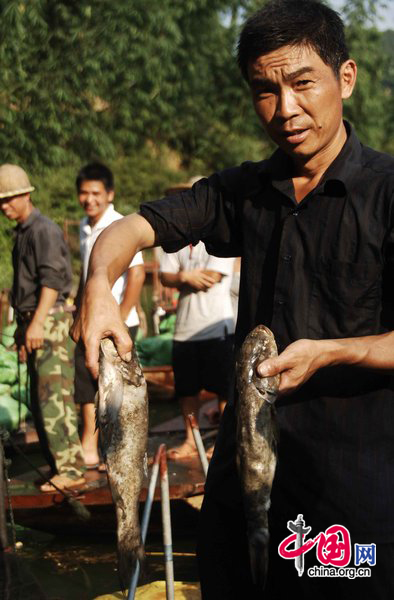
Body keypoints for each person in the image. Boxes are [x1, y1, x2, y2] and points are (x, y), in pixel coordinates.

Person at [71, 1, 394, 598]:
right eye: (264, 91)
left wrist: (332, 353)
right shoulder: (244, 190)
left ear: (344, 78)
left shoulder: (386, 193)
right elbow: (134, 229)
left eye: (303, 83)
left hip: (347, 488)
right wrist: (97, 285)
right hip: (240, 480)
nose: (286, 109)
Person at [0, 164, 85, 492]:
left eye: (9, 200)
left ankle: (72, 469)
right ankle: (59, 465)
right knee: (39, 398)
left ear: (26, 195)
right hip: (34, 323)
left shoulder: (43, 230)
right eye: (0, 202)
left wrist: (36, 325)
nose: (4, 206)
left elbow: (51, 282)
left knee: (55, 398)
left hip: (49, 321)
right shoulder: (22, 232)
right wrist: (23, 333)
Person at [74, 162, 145, 470]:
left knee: (117, 391)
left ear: (109, 194)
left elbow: (138, 273)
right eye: (84, 193)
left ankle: (116, 451)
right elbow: (86, 277)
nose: (89, 199)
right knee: (87, 386)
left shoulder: (120, 223)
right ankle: (90, 446)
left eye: (95, 193)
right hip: (92, 323)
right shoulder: (83, 226)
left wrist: (124, 314)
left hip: (117, 327)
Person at [160, 241, 235, 459]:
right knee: (186, 391)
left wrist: (181, 275)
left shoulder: (220, 239)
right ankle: (191, 441)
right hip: (183, 329)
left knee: (224, 389)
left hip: (217, 326)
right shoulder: (174, 244)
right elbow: (165, 276)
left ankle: (224, 441)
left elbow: (211, 278)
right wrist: (184, 277)